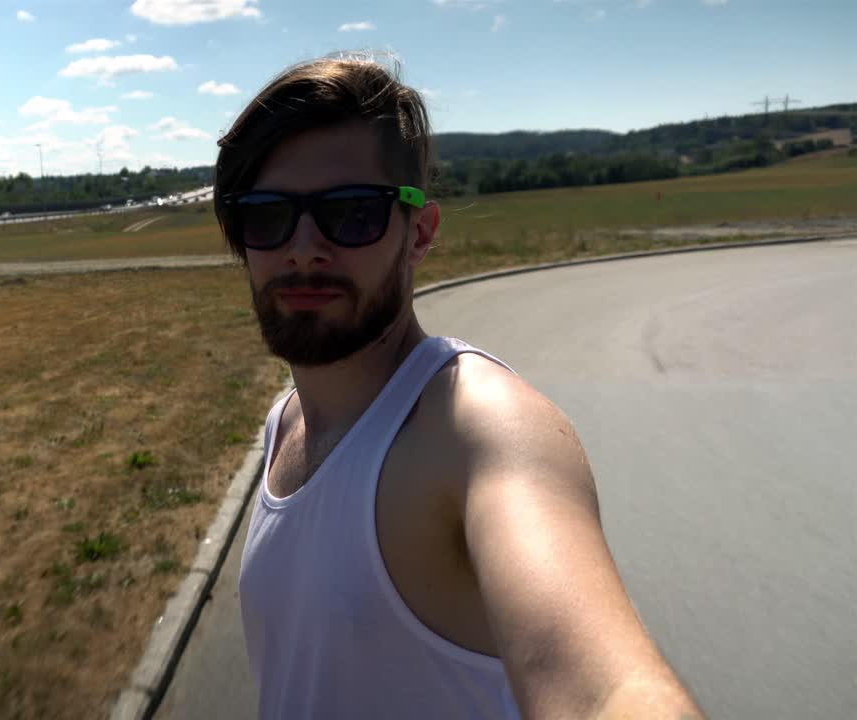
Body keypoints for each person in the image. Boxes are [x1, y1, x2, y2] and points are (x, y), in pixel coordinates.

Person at [217, 54, 706, 720]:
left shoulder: (479, 427)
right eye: (267, 216)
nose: (303, 248)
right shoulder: (284, 423)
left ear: (418, 233)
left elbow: (606, 692)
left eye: (353, 213)